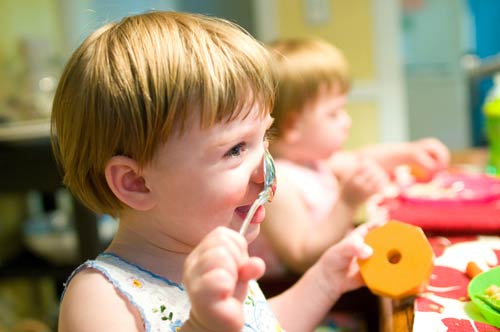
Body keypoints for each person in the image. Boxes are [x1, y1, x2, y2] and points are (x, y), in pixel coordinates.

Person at [51, 12, 376, 332]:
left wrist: (325, 280)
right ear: (136, 183)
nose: (267, 173)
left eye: (264, 138)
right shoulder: (98, 297)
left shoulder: (213, 253)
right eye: (235, 149)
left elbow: (261, 324)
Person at [249, 38, 450, 276]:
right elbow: (301, 257)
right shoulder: (276, 184)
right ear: (293, 126)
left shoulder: (313, 162)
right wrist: (347, 203)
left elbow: (361, 159)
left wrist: (409, 153)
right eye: (334, 114)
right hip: (306, 298)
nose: (347, 121)